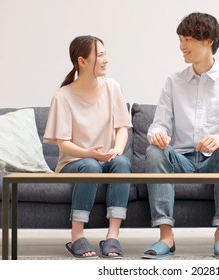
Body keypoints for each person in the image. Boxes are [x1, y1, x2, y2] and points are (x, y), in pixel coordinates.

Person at [141, 12, 219, 259]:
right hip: (182, 159)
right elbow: (158, 125)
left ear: (208, 41)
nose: (182, 46)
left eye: (188, 39)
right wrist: (158, 135)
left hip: (215, 159)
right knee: (153, 151)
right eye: (180, 39)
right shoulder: (174, 82)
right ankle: (166, 237)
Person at [44, 35, 133, 259]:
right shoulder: (62, 96)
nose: (106, 60)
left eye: (105, 54)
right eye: (100, 55)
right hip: (74, 163)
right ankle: (77, 236)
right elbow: (64, 144)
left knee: (122, 162)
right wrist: (88, 153)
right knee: (91, 165)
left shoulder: (113, 88)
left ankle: (113, 236)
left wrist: (117, 150)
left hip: (106, 159)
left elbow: (122, 128)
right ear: (82, 61)